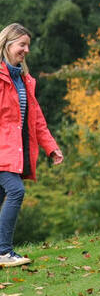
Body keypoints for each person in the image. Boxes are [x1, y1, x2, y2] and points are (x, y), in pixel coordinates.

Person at [0, 23, 63, 266]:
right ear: (7, 45)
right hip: (3, 152)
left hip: (14, 152)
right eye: (21, 45)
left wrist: (51, 147)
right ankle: (4, 252)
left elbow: (35, 120)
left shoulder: (25, 81)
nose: (26, 50)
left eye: (28, 45)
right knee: (16, 191)